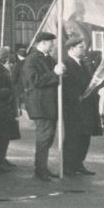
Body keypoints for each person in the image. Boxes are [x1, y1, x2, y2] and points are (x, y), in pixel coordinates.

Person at [22, 32, 65, 182]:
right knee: (44, 137)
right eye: (50, 42)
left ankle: (42, 167)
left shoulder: (47, 59)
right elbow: (35, 81)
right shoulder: (32, 59)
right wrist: (54, 73)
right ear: (42, 43)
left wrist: (61, 72)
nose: (53, 45)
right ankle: (40, 169)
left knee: (48, 136)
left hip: (48, 104)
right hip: (41, 105)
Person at [62, 37, 102, 176]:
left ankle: (79, 163)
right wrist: (77, 97)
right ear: (71, 49)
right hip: (74, 107)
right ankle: (68, 166)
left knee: (85, 136)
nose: (83, 49)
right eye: (80, 47)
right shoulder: (66, 64)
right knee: (73, 137)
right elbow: (66, 87)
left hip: (87, 106)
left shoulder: (83, 63)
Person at [0, 47, 20, 171]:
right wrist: (7, 93)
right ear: (3, 57)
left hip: (4, 106)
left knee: (4, 135)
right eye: (6, 56)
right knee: (1, 135)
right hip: (1, 106)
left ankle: (1, 158)